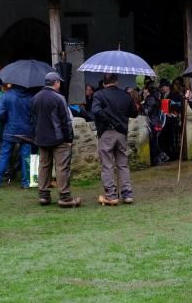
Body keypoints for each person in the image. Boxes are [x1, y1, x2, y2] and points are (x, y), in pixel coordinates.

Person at [31, 72, 80, 207]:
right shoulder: (59, 98)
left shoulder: (35, 98)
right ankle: (64, 197)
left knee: (44, 167)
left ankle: (43, 196)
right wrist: (69, 138)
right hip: (58, 139)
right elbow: (65, 120)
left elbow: (33, 120)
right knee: (62, 167)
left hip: (41, 138)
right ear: (56, 82)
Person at [91, 72, 140, 205]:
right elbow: (134, 114)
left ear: (104, 83)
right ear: (116, 81)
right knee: (123, 164)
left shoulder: (99, 95)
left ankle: (112, 195)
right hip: (121, 133)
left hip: (106, 132)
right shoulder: (125, 95)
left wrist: (109, 119)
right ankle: (127, 194)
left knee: (107, 165)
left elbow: (95, 111)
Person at [0, 83, 36, 189]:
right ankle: (26, 183)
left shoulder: (7, 95)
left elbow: (0, 112)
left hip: (10, 129)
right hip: (27, 131)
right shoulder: (32, 96)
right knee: (26, 157)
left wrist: (7, 120)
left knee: (4, 155)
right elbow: (35, 113)